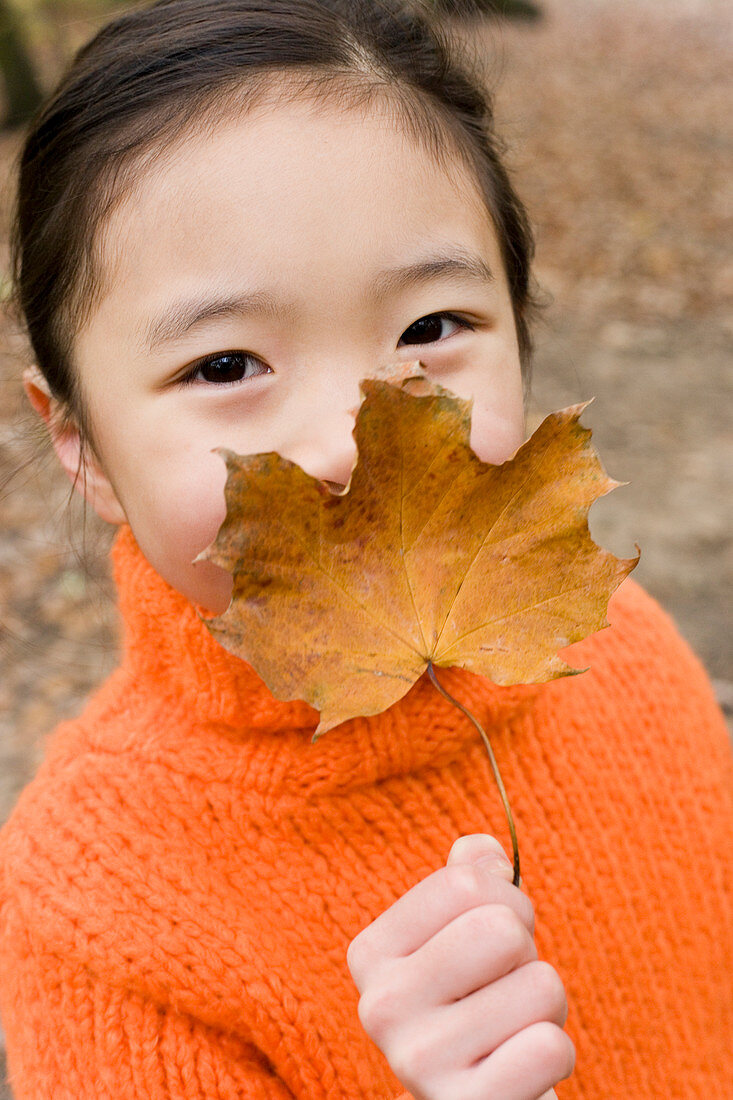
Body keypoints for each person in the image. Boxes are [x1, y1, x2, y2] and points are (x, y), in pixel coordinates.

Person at [0, 1, 730, 1098]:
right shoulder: (92, 903)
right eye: (226, 363)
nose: (349, 438)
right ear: (85, 446)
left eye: (431, 330)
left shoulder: (614, 638)